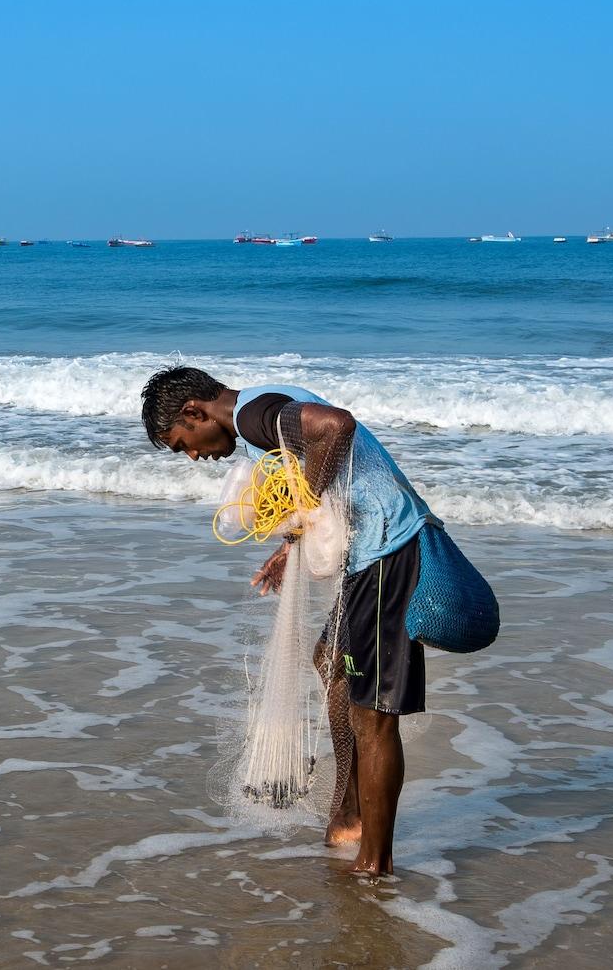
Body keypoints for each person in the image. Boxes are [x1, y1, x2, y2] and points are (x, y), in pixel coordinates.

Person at [141, 365, 432, 876]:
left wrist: (304, 507)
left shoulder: (252, 415)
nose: (193, 456)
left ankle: (375, 862)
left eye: (183, 444)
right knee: (331, 665)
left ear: (194, 411)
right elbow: (319, 458)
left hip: (389, 550)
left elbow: (336, 425)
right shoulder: (261, 418)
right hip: (369, 555)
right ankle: (349, 812)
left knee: (373, 714)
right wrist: (288, 545)